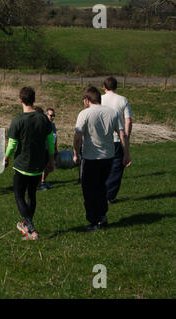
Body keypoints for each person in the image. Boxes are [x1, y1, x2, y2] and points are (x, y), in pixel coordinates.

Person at [72, 87, 131, 231]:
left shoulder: (84, 114)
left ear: (87, 100)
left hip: (91, 158)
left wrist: (75, 153)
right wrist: (126, 154)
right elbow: (122, 135)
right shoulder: (113, 113)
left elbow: (78, 136)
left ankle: (94, 221)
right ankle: (102, 216)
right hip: (108, 157)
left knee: (89, 190)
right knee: (102, 187)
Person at [4, 87, 55, 240]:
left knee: (19, 195)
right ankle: (27, 225)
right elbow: (50, 141)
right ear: (34, 99)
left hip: (21, 165)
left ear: (20, 100)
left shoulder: (18, 120)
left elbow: (12, 143)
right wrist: (51, 159)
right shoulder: (44, 119)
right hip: (38, 165)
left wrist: (6, 157)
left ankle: (31, 229)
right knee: (31, 194)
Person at [102, 76, 133, 204]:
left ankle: (99, 192)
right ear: (116, 87)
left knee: (102, 166)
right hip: (116, 138)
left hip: (101, 138)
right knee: (116, 167)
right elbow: (128, 120)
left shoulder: (99, 99)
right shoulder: (122, 100)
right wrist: (126, 136)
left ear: (104, 87)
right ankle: (109, 195)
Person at [38, 108, 58, 190]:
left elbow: (55, 137)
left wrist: (55, 147)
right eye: (51, 115)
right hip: (43, 148)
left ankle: (43, 180)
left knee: (48, 166)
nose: (52, 117)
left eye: (54, 115)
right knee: (42, 167)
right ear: (46, 115)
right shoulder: (43, 124)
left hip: (50, 148)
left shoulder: (53, 125)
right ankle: (40, 183)